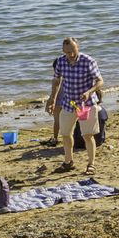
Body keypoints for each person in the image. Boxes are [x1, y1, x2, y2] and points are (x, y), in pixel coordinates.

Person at [48, 38, 103, 176]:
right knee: (65, 133)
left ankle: (91, 164)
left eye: (73, 51)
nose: (71, 55)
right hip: (69, 103)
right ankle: (68, 162)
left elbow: (100, 81)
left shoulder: (88, 61)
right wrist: (52, 99)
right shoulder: (61, 61)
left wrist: (89, 92)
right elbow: (56, 80)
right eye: (67, 52)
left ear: (78, 47)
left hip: (86, 104)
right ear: (63, 51)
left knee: (87, 135)